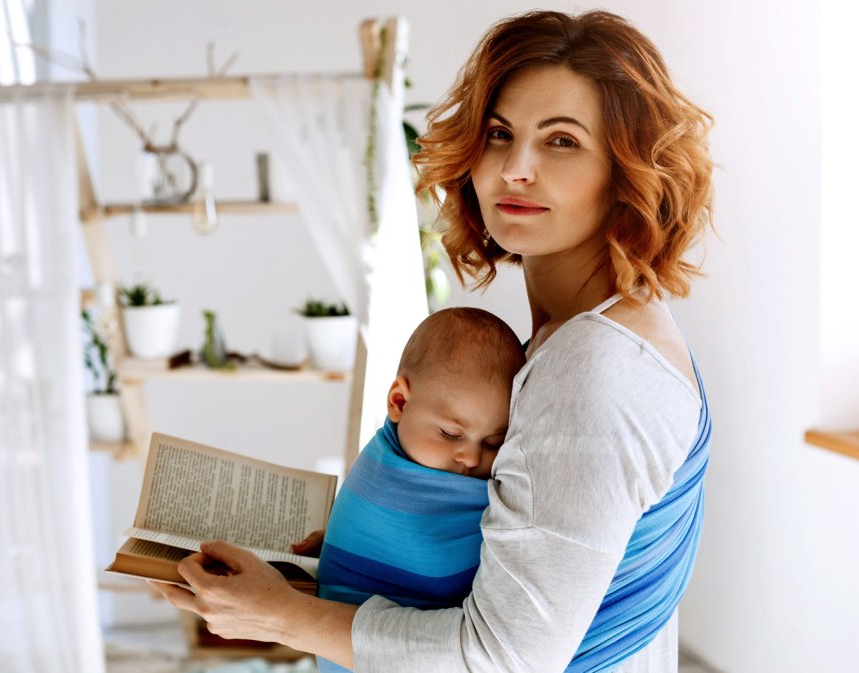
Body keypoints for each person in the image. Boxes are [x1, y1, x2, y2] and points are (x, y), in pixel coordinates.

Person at [151, 9, 714, 672]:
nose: (516, 168)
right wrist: (390, 534)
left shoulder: (594, 366)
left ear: (626, 171)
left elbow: (504, 658)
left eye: (561, 141)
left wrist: (279, 615)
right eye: (500, 134)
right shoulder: (596, 333)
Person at [308, 307, 525, 672]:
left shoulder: (410, 449)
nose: (471, 457)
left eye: (494, 441)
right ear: (399, 402)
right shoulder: (386, 472)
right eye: (451, 434)